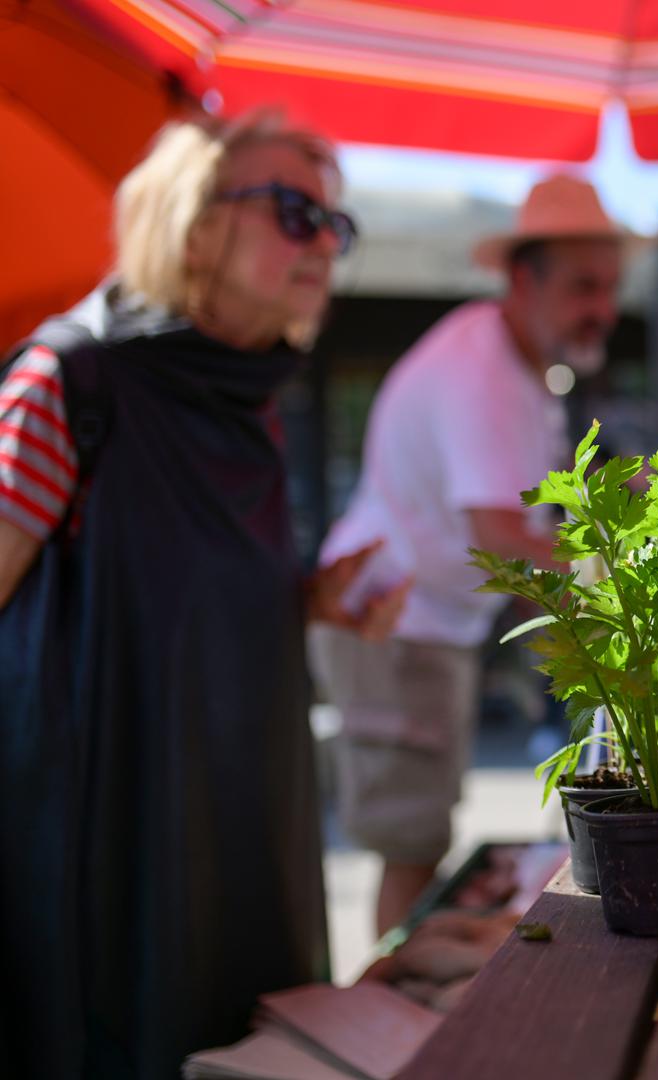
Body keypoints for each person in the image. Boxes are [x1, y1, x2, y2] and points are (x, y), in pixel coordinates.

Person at [0, 114, 402, 1078]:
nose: (321, 245)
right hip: (111, 858)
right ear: (191, 223)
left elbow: (165, 586)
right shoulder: (71, 379)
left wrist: (304, 603)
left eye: (335, 227)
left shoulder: (247, 398)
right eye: (295, 212)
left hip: (246, 832)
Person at [311, 174, 626, 936]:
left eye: (611, 288)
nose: (603, 310)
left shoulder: (517, 367)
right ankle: (391, 1026)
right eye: (584, 286)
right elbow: (505, 544)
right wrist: (617, 617)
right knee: (411, 847)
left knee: (423, 843)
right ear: (523, 279)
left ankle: (400, 1006)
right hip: (389, 621)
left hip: (421, 623)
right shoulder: (484, 372)